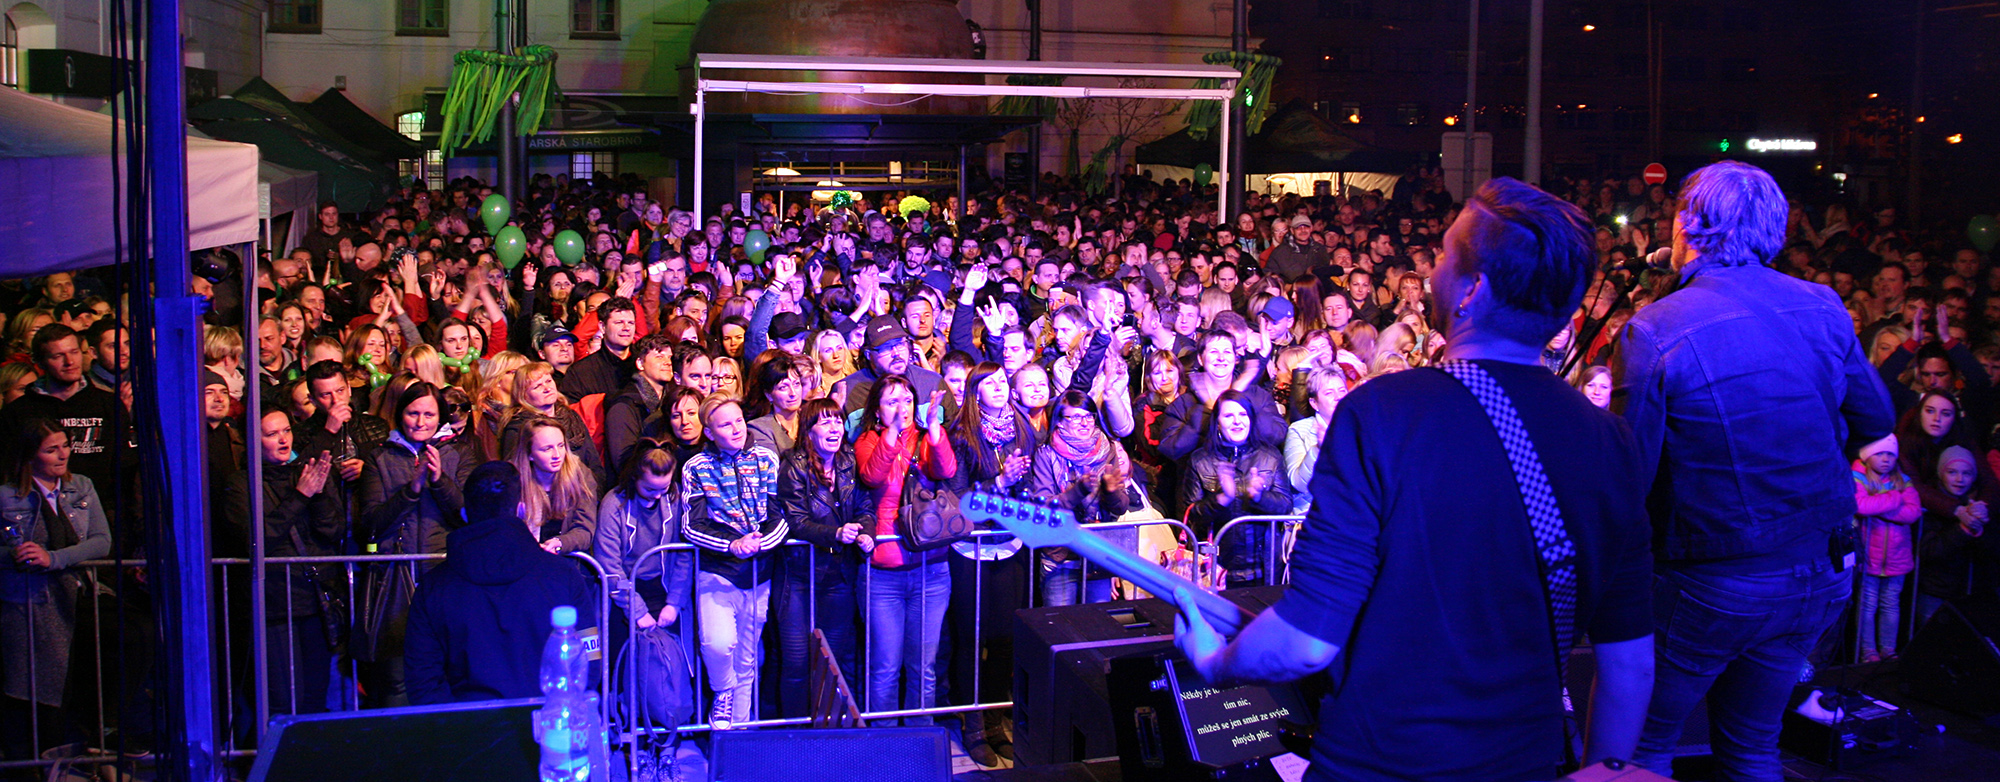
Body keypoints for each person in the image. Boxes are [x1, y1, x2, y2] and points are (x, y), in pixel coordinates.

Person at [1176, 178, 1655, 780]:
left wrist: (1216, 664)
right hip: (1526, 762)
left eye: (1447, 256)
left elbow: (1306, 640)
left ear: (1472, 289)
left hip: (1378, 762)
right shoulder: (1612, 442)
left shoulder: (1383, 412)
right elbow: (1630, 663)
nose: (1431, 275)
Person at [1614, 162, 1895, 779]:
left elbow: (1629, 479)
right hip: (1819, 571)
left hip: (1714, 582)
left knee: (1641, 750)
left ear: (1687, 224)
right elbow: (1876, 417)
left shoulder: (1656, 328)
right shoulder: (1821, 304)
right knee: (1751, 748)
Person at [404, 461, 599, 705]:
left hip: (467, 723)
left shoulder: (434, 588)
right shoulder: (563, 576)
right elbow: (588, 663)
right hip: (548, 721)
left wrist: (456, 722)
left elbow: (423, 681)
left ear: (464, 514)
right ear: (521, 509)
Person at [940, 363, 1035, 764]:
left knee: (1004, 639)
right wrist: (998, 482)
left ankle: (997, 722)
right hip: (971, 548)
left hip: (1010, 544)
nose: (999, 387)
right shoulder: (961, 434)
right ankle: (974, 725)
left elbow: (1031, 482)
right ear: (975, 392)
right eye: (989, 383)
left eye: (1002, 381)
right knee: (971, 638)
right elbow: (957, 499)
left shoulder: (1023, 428)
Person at [355, 380, 470, 707]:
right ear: (399, 414)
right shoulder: (379, 457)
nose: (420, 422)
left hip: (444, 579)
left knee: (449, 675)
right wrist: (412, 490)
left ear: (441, 417)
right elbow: (371, 524)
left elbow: (467, 516)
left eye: (429, 414)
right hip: (395, 581)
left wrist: (439, 481)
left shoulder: (459, 453)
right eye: (413, 413)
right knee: (398, 681)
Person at [0, 420, 110, 756]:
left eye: (65, 445)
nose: (63, 455)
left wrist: (55, 558)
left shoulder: (81, 486)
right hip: (32, 599)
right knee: (38, 685)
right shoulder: (6, 496)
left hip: (79, 590)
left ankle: (105, 728)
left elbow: (101, 541)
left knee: (136, 633)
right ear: (29, 456)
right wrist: (13, 554)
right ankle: (38, 760)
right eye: (51, 449)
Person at [854, 375, 957, 724]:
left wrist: (935, 428)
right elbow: (872, 476)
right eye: (892, 402)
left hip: (931, 568)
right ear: (877, 411)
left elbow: (946, 469)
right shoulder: (868, 441)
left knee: (923, 666)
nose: (903, 408)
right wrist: (892, 434)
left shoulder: (926, 437)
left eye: (908, 401)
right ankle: (885, 741)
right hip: (884, 573)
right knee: (885, 667)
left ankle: (920, 737)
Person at [681, 397, 786, 728]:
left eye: (739, 420)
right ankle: (722, 691)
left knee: (747, 656)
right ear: (709, 433)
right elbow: (692, 525)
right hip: (718, 571)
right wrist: (732, 545)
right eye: (725, 424)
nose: (736, 428)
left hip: (760, 571)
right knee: (717, 643)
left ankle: (737, 732)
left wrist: (758, 544)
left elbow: (780, 515)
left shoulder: (767, 459)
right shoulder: (695, 467)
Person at [771, 398, 873, 718]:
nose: (834, 427)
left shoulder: (849, 461)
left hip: (838, 575)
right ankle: (796, 732)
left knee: (832, 660)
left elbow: (865, 507)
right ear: (809, 431)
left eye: (838, 421)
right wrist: (836, 534)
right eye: (825, 422)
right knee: (797, 662)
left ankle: (828, 728)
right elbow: (796, 521)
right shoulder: (794, 466)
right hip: (800, 575)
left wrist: (866, 532)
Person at [247, 407, 343, 715]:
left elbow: (332, 531)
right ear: (254, 439)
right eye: (272, 434)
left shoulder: (308, 472)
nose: (283, 439)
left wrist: (319, 494)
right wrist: (300, 496)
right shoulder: (243, 483)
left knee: (316, 696)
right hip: (277, 605)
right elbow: (257, 540)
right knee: (284, 702)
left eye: (286, 430)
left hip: (314, 600)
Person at [1030, 391, 1137, 605]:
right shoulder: (1046, 454)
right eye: (1076, 417)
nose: (1085, 423)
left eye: (1089, 416)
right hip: (1061, 556)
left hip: (1098, 552)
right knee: (1060, 620)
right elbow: (1043, 507)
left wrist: (1111, 492)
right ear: (1059, 421)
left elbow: (1121, 507)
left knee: (1097, 620)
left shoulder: (1107, 449)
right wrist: (1077, 491)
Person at [1183, 390, 1292, 587]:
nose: (1237, 421)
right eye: (1228, 416)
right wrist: (1222, 499)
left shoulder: (1270, 456)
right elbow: (1191, 515)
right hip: (1215, 569)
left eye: (1243, 414)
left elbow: (1285, 506)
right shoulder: (1200, 460)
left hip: (1264, 569)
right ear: (1217, 422)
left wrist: (1259, 496)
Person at [1851, 434, 1920, 663]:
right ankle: (1868, 651)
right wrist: (1893, 499)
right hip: (1869, 557)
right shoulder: (1858, 477)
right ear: (1867, 455)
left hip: (1896, 557)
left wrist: (1878, 507)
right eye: (1879, 453)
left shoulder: (1903, 481)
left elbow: (1913, 512)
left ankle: (1888, 650)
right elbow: (1860, 505)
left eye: (1890, 454)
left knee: (1891, 604)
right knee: (1867, 606)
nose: (1885, 459)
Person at [509, 416, 599, 556]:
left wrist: (560, 543)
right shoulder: (512, 480)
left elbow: (585, 530)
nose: (557, 455)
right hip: (524, 557)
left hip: (566, 558)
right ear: (529, 454)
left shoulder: (580, 474)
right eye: (547, 449)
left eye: (561, 446)